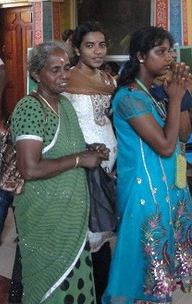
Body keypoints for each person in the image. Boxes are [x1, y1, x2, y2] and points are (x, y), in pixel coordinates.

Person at [103, 26, 192, 303]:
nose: (169, 57)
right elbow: (165, 145)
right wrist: (175, 97)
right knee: (146, 259)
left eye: (170, 51)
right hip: (144, 191)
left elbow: (183, 135)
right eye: (160, 52)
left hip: (169, 185)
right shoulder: (128, 98)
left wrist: (179, 98)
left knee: (163, 259)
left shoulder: (154, 93)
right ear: (140, 56)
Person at [12, 40, 109, 303]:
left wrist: (89, 149)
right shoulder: (30, 108)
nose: (64, 75)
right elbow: (29, 168)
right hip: (45, 213)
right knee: (48, 283)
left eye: (66, 68)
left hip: (71, 214)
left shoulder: (64, 104)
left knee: (75, 284)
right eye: (55, 70)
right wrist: (80, 159)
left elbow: (63, 147)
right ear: (36, 74)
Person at [62, 21, 117, 302]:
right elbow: (63, 128)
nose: (97, 51)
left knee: (102, 229)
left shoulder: (109, 81)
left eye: (102, 45)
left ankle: (100, 291)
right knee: (86, 230)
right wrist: (85, 152)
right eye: (90, 45)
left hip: (108, 167)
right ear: (77, 48)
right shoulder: (66, 80)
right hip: (82, 166)